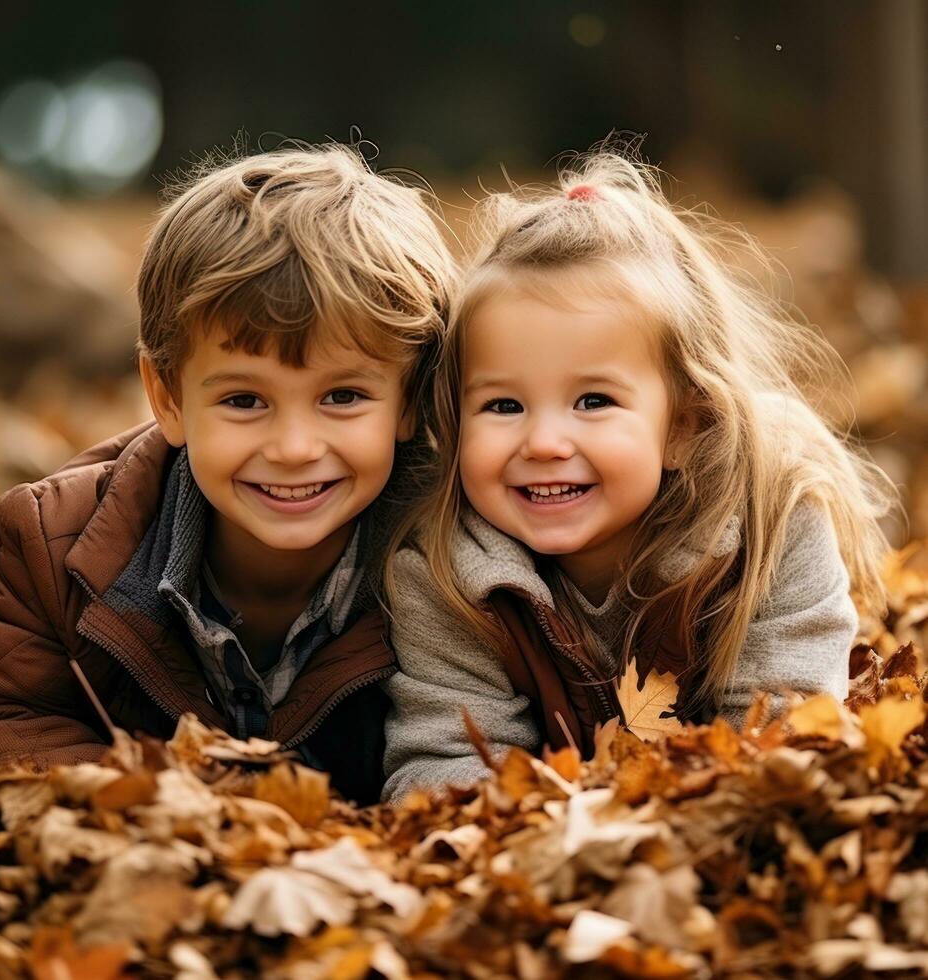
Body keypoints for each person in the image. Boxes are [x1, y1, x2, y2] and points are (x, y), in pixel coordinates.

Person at [381, 146, 896, 801]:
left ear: (684, 424)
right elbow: (443, 768)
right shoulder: (447, 575)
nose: (543, 442)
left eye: (594, 401)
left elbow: (784, 747)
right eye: (503, 405)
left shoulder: (773, 521)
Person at [0, 142, 454, 804]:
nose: (296, 447)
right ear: (168, 400)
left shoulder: (456, 552)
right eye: (245, 401)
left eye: (342, 397)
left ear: (409, 399)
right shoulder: (45, 547)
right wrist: (174, 812)